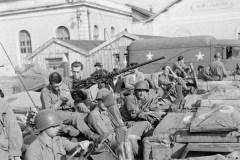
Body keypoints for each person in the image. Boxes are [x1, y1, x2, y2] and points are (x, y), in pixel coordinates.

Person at [87, 89, 153, 157]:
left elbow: (117, 123)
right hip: (115, 139)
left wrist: (128, 124)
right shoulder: (94, 115)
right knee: (136, 149)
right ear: (97, 101)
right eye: (103, 101)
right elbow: (107, 135)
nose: (106, 104)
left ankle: (149, 146)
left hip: (120, 133)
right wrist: (125, 132)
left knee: (146, 124)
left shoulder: (106, 111)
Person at [40, 72, 101, 142]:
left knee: (86, 112)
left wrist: (69, 100)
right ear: (50, 84)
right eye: (56, 87)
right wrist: (60, 101)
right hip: (55, 114)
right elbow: (48, 111)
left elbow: (71, 103)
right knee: (75, 116)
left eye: (60, 85)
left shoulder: (64, 86)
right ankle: (92, 136)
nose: (59, 88)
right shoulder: (45, 91)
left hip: (68, 110)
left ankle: (98, 130)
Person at [25, 109, 91, 160]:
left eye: (58, 125)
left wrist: (81, 145)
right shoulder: (33, 151)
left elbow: (73, 147)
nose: (58, 128)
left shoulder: (59, 140)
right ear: (44, 126)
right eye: (54, 126)